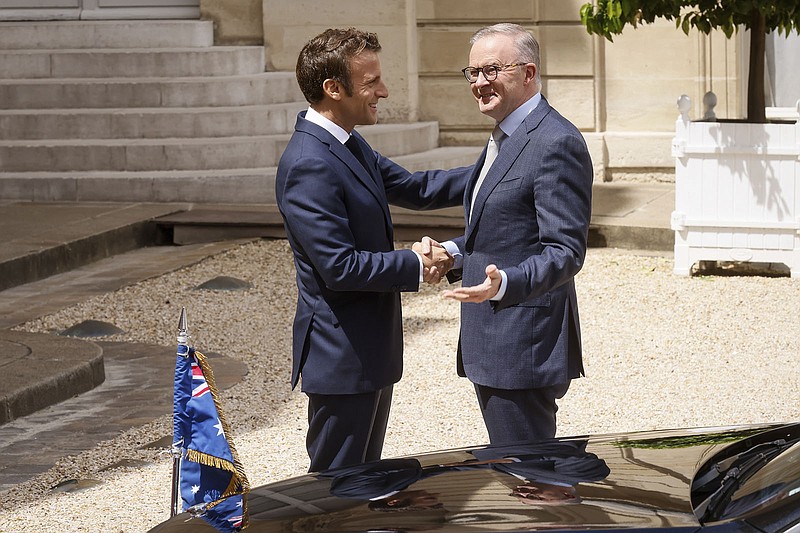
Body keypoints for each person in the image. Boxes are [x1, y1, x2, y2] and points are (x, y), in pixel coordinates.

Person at [275, 27, 470, 472]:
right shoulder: (308, 162)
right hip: (342, 357)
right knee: (335, 492)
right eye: (371, 83)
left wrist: (498, 167)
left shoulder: (345, 142)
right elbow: (338, 267)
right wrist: (419, 263)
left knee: (362, 489)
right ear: (333, 88)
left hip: (368, 351)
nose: (382, 91)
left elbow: (416, 187)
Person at [424, 23, 593, 445]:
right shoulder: (506, 134)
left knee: (530, 483)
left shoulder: (556, 141)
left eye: (491, 70)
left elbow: (565, 251)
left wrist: (505, 284)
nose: (479, 83)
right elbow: (503, 229)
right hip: (497, 343)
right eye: (473, 73)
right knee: (519, 481)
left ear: (528, 73)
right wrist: (453, 254)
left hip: (522, 346)